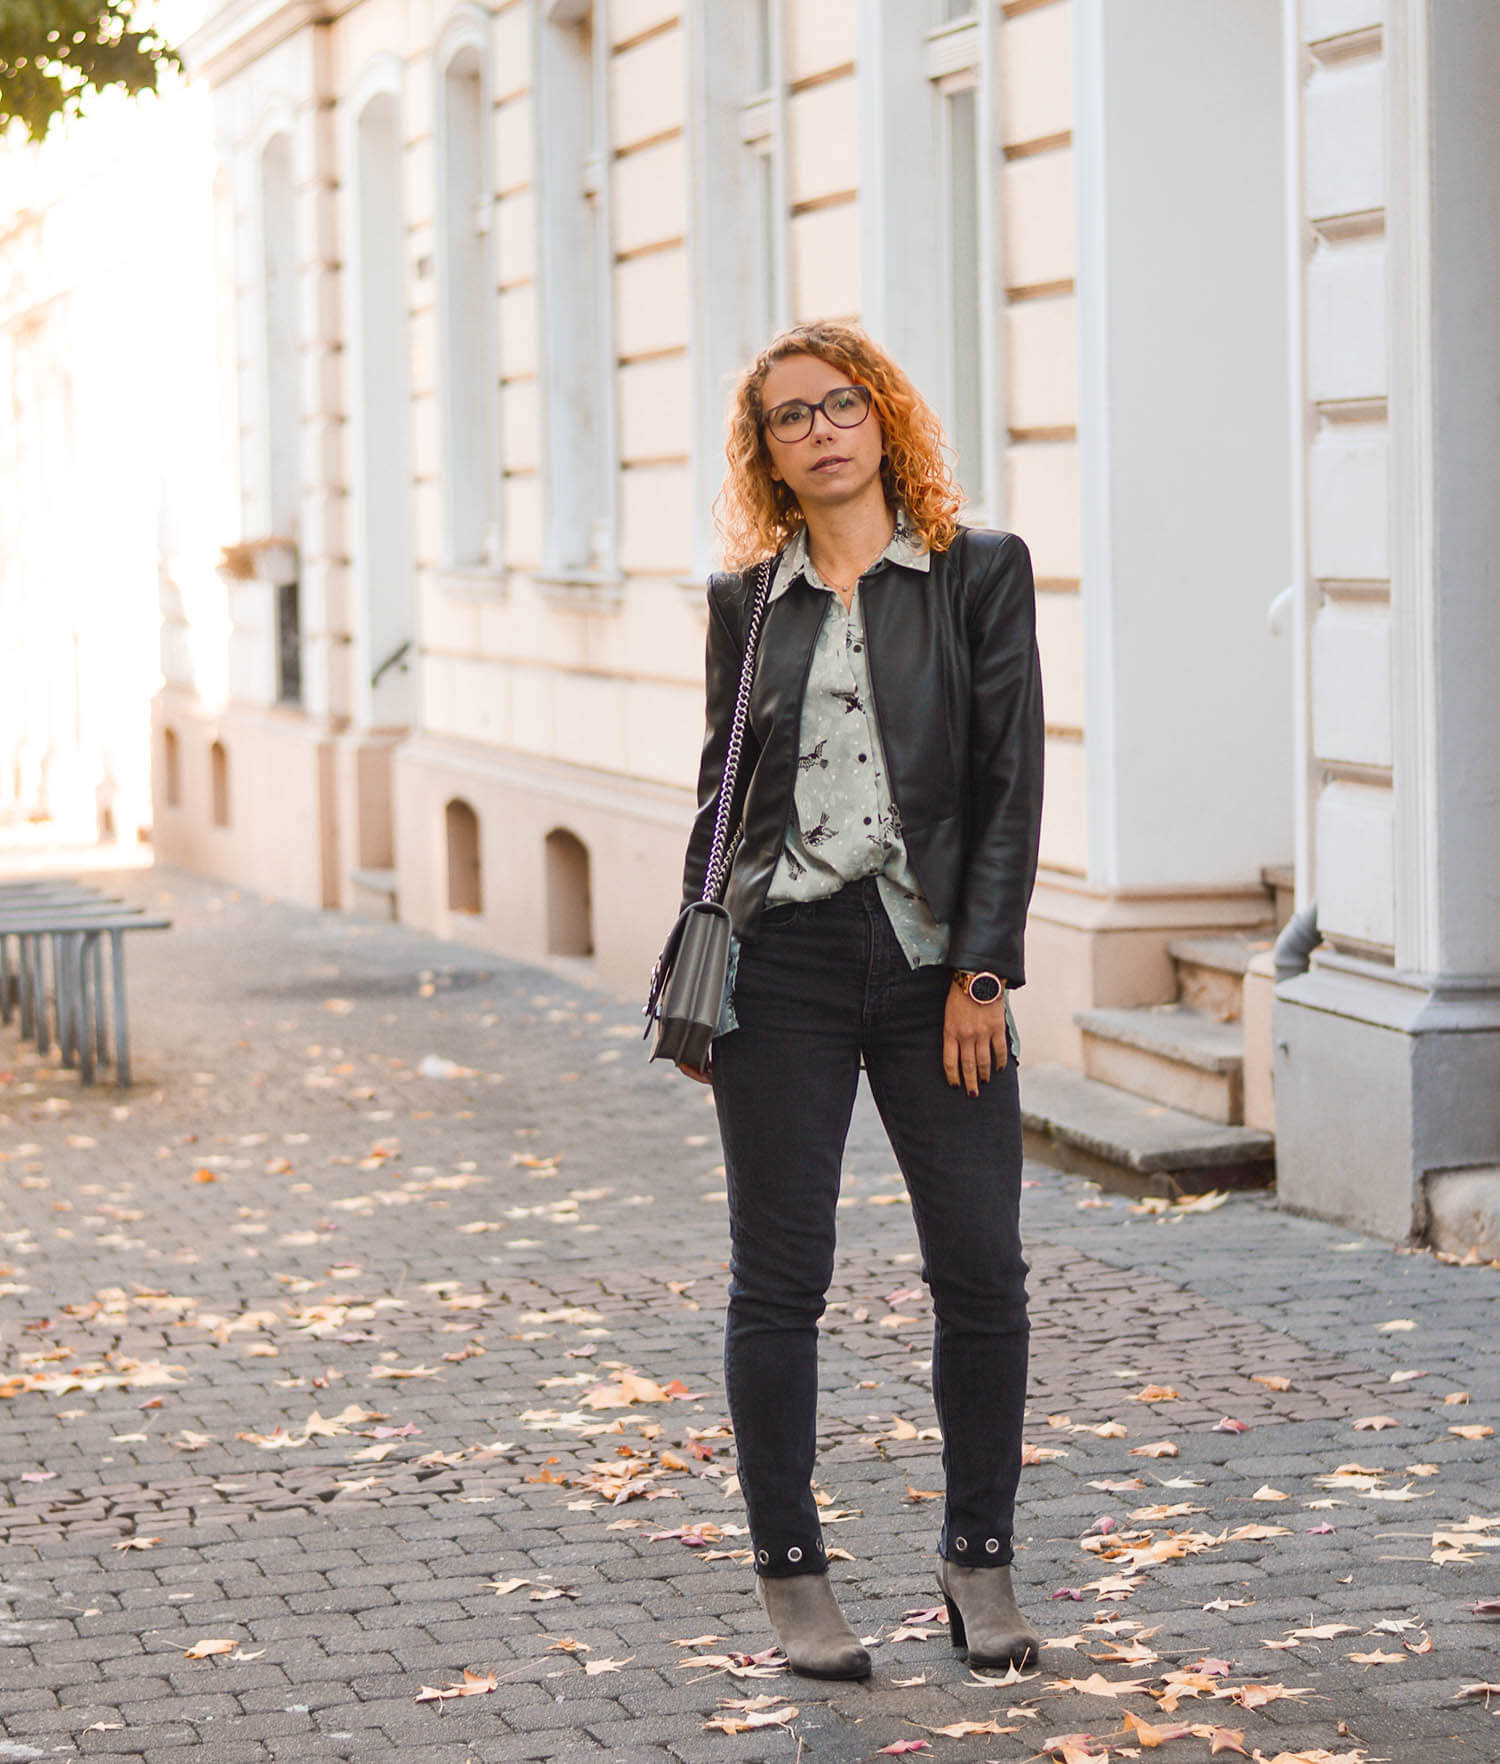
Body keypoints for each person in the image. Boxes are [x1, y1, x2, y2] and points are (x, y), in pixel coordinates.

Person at [676, 321, 1045, 1680]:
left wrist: (982, 970)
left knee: (982, 1272)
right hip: (782, 967)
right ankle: (792, 1581)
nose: (822, 428)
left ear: (885, 418)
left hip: (936, 966)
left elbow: (1010, 787)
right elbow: (723, 793)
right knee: (780, 1282)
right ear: (766, 451)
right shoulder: (748, 602)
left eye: (843, 404)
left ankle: (980, 1563)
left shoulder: (974, 576)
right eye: (791, 416)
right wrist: (699, 973)